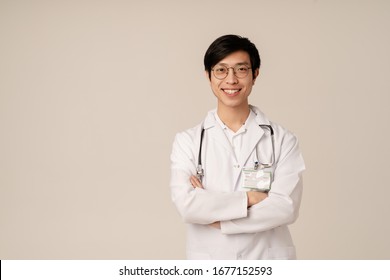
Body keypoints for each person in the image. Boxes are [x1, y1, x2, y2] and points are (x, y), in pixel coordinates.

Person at [170, 34, 305, 260]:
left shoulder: (282, 140)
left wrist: (217, 217)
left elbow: (285, 207)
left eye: (241, 70)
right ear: (209, 76)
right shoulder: (188, 141)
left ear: (255, 74)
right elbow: (187, 205)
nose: (231, 80)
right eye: (221, 70)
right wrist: (250, 199)